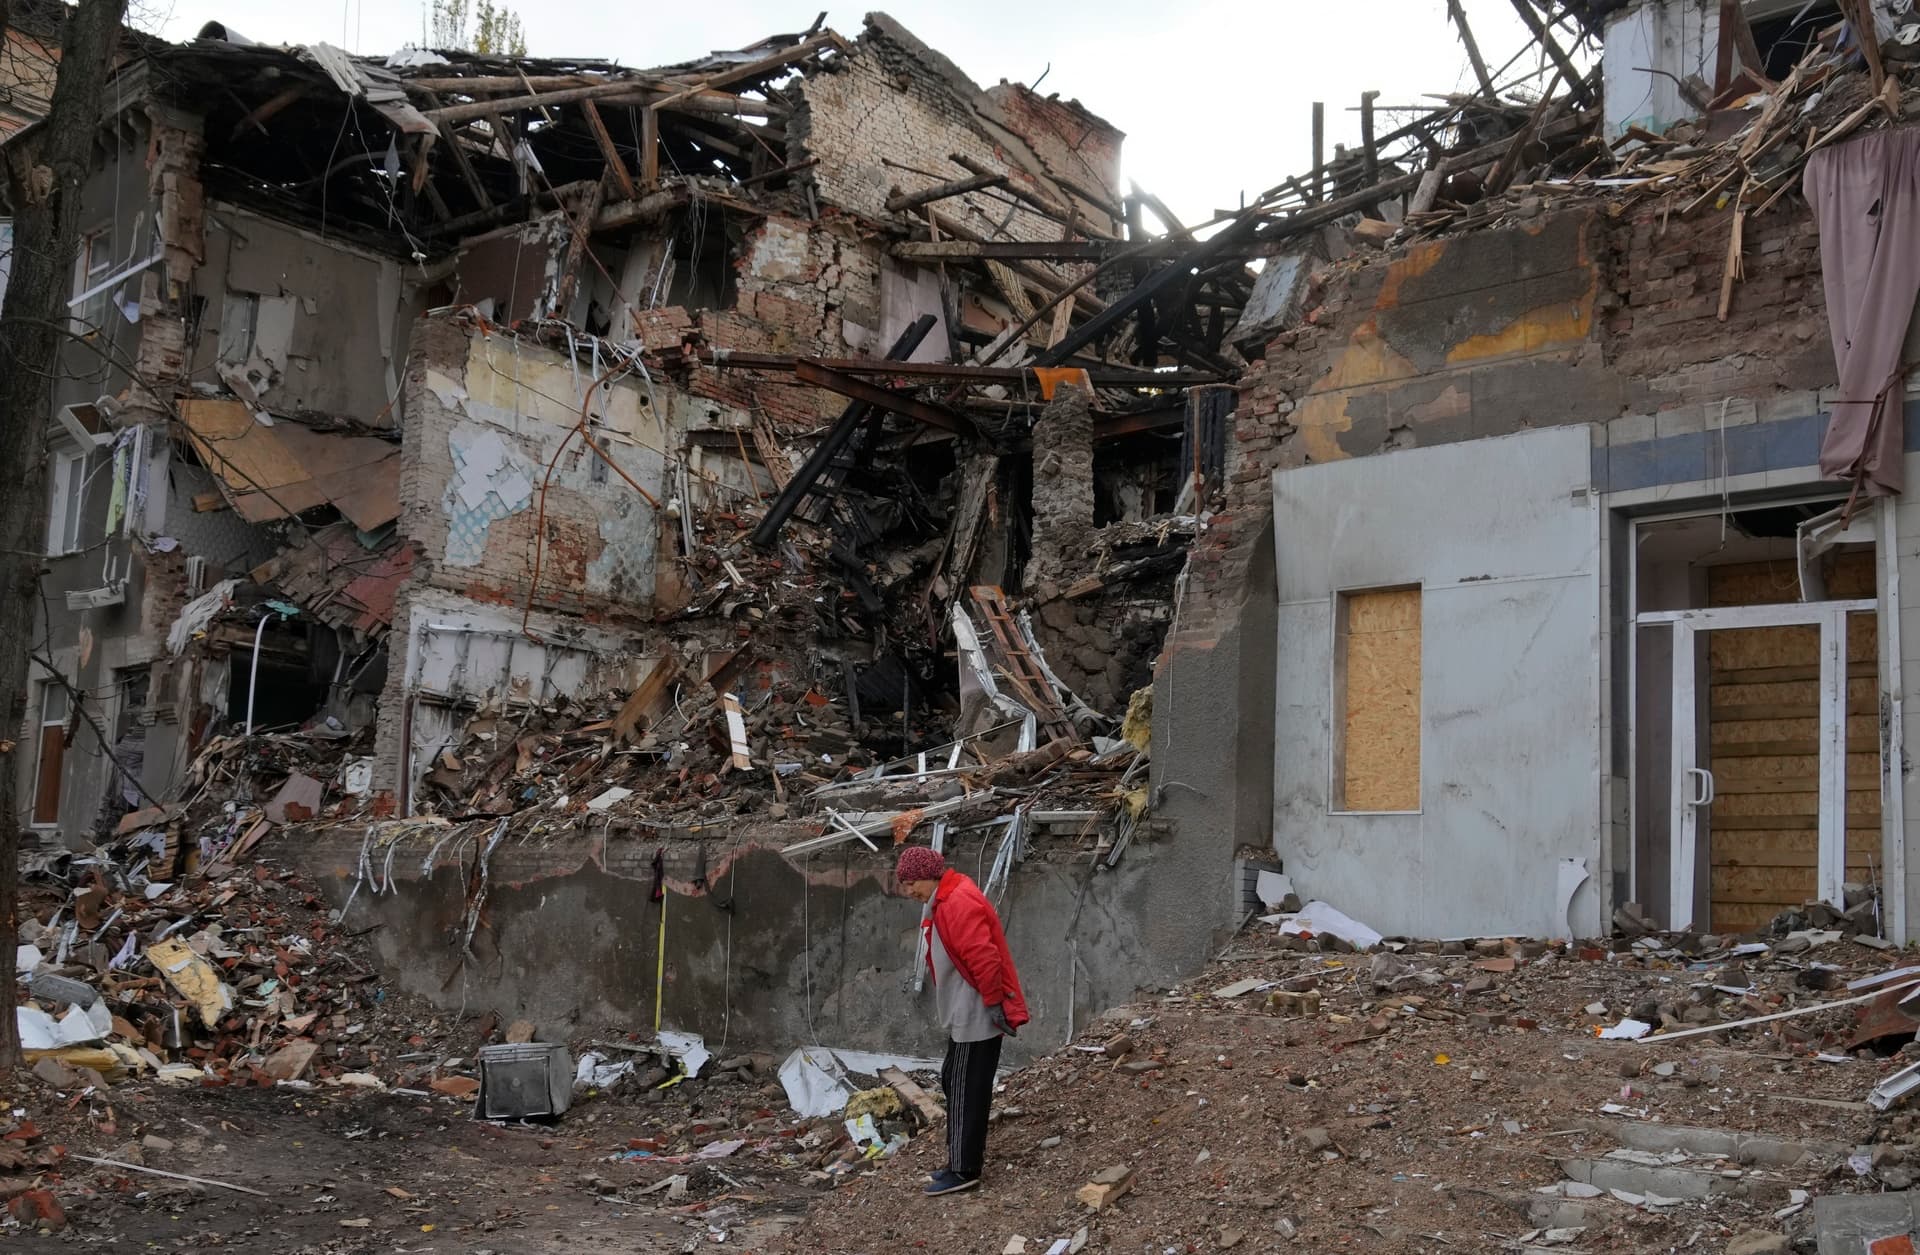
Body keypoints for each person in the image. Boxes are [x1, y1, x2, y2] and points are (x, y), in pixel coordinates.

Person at [896, 845, 1029, 1196]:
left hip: (976, 1011)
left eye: (911, 883)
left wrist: (995, 1003)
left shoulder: (957, 901)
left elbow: (984, 957)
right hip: (966, 1008)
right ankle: (960, 1160)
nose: (909, 891)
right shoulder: (944, 897)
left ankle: (964, 1168)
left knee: (966, 1088)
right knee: (954, 1080)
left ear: (928, 875)